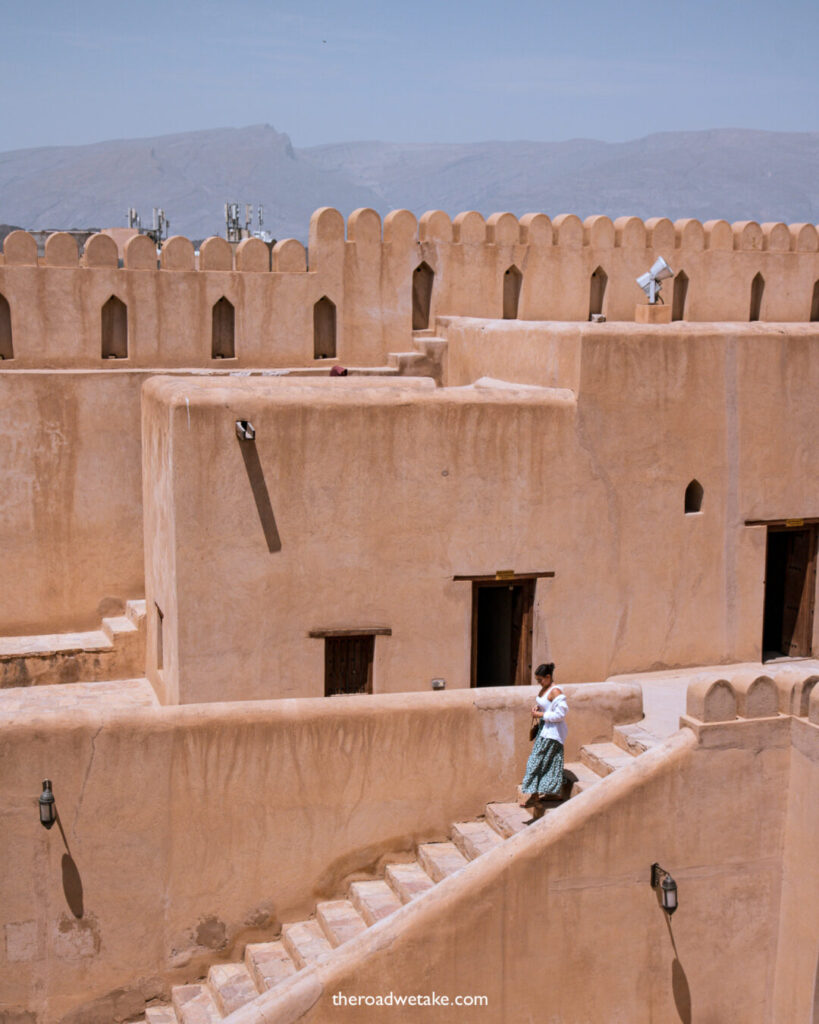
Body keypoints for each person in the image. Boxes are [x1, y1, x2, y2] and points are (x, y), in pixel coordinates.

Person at [521, 663, 568, 801]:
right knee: (550, 761)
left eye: (540, 680)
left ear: (548, 677)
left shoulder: (556, 692)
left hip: (552, 732)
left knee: (535, 761)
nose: (539, 683)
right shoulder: (546, 689)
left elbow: (560, 715)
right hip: (544, 730)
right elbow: (546, 704)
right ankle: (552, 792)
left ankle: (534, 795)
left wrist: (540, 715)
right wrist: (538, 707)